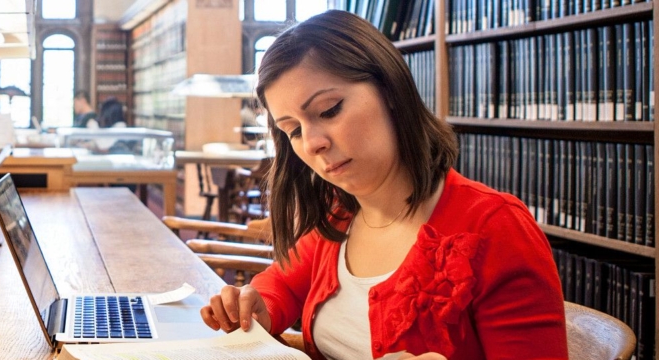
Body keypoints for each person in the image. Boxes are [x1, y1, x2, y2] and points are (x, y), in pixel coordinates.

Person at [199, 10, 566, 360]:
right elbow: (283, 283)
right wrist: (257, 306)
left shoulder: (496, 229)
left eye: (329, 110)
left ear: (390, 90)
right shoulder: (340, 213)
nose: (311, 144)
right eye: (293, 130)